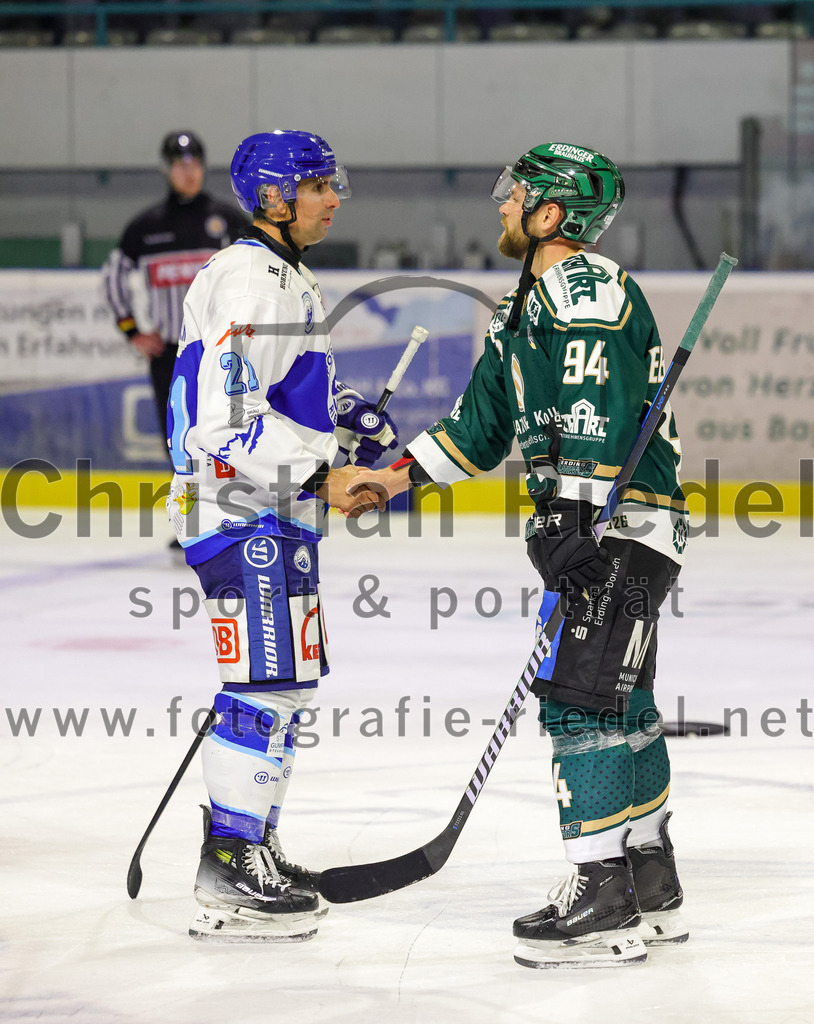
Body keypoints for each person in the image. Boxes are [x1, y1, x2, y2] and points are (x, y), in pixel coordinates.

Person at [353, 143, 690, 968]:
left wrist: (572, 517)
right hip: (603, 525)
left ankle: (601, 890)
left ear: (552, 214)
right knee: (621, 702)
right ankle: (650, 878)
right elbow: (478, 429)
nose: (503, 204)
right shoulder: (522, 310)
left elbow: (595, 403)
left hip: (620, 524)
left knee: (578, 703)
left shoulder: (586, 288)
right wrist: (387, 481)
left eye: (518, 195)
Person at [165, 129, 398, 942]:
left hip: (273, 509)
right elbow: (223, 420)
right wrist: (320, 473)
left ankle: (251, 841)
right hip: (239, 508)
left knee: (286, 684)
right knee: (265, 682)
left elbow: (278, 395)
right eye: (320, 185)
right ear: (274, 197)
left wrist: (347, 418)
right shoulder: (249, 278)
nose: (335, 198)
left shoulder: (284, 275)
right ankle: (229, 860)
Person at [102, 131, 247, 471]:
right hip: (170, 351)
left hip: (223, 349)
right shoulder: (146, 227)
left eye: (195, 163)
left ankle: (231, 506)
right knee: (179, 434)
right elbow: (112, 278)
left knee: (230, 431)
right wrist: (131, 330)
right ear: (166, 169)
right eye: (180, 165)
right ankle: (191, 508)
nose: (189, 172)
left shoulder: (228, 221)